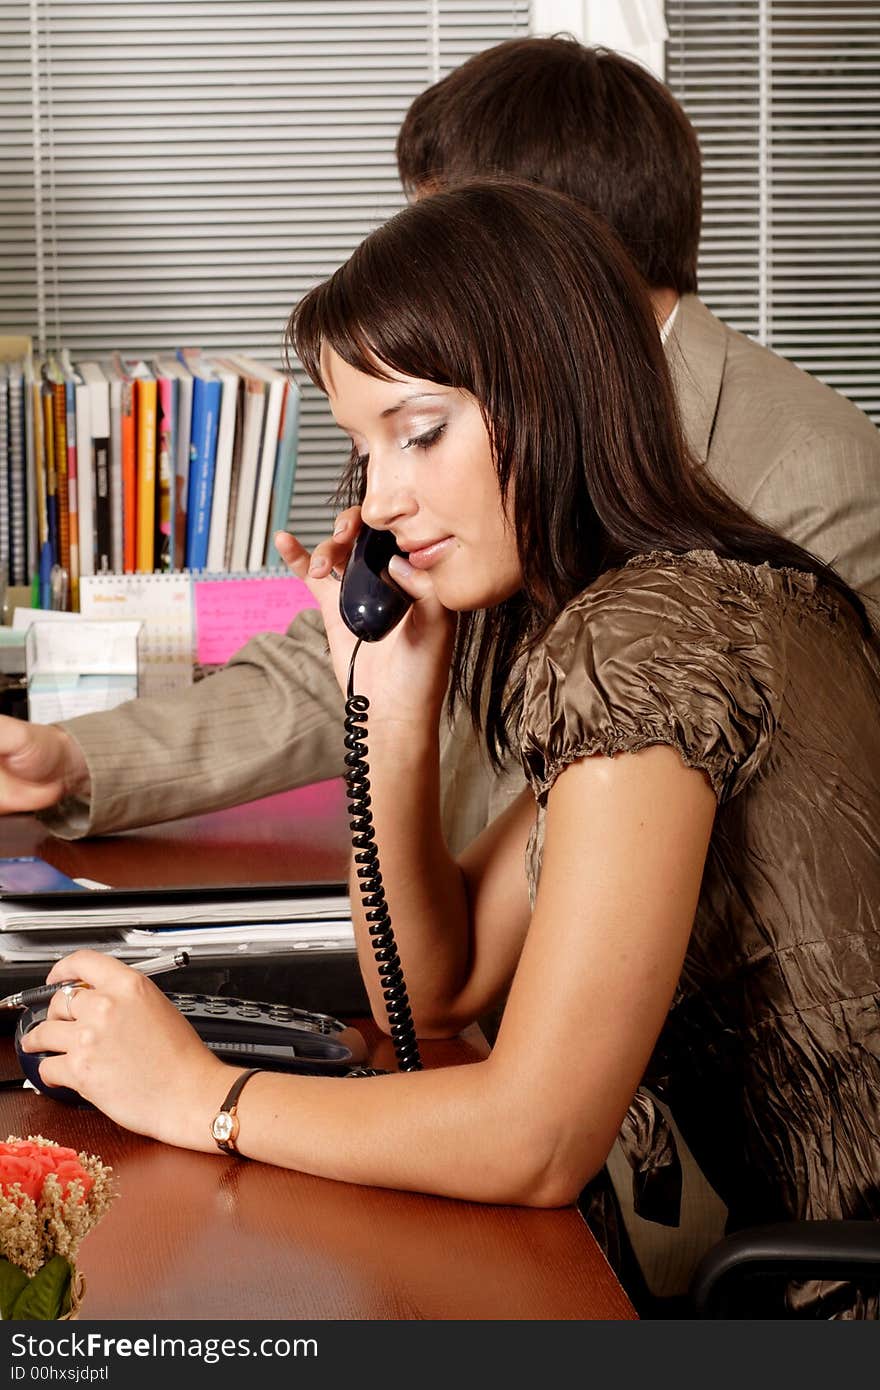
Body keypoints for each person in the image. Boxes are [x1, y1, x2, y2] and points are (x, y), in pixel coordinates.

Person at [22, 181, 880, 1319]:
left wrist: (200, 1096)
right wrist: (389, 697)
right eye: (362, 452)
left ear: (555, 394)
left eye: (419, 431)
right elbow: (439, 985)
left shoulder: (648, 640)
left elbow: (535, 1141)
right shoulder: (687, 604)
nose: (379, 500)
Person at [0, 38, 878, 847]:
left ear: (551, 252)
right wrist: (74, 760)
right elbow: (347, 658)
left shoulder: (816, 472)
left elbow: (807, 841)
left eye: (455, 238)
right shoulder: (473, 424)